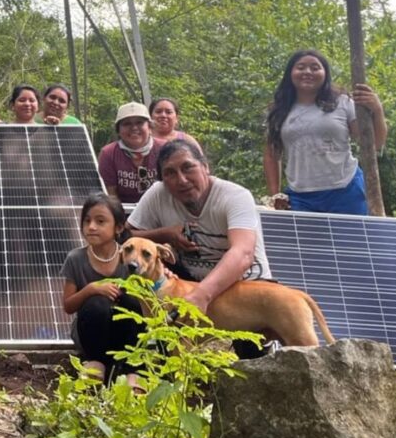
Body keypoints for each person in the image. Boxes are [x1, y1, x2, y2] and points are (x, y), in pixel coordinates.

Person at [126, 140, 272, 358]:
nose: (181, 180)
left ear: (205, 167)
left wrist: (202, 295)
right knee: (130, 297)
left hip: (245, 286)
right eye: (170, 173)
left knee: (252, 359)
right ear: (162, 180)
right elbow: (127, 236)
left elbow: (243, 253)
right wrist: (166, 234)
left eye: (188, 167)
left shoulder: (235, 196)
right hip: (188, 284)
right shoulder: (158, 194)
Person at [264, 49, 387, 216]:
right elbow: (271, 154)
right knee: (301, 235)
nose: (308, 72)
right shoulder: (280, 110)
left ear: (325, 73)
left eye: (315, 68)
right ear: (290, 73)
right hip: (300, 195)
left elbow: (375, 144)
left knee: (354, 234)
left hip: (346, 190)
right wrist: (275, 195)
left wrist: (377, 110)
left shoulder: (343, 102)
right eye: (301, 67)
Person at [61, 193, 144, 385]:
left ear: (119, 227)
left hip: (125, 335)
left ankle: (132, 369)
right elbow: (68, 306)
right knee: (97, 303)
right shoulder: (76, 259)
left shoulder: (131, 258)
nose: (91, 227)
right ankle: (96, 363)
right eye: (87, 221)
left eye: (100, 221)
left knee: (132, 300)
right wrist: (91, 289)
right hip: (91, 335)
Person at [98, 102, 164, 205]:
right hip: (123, 210)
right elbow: (111, 195)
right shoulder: (108, 153)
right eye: (127, 124)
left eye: (139, 123)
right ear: (118, 130)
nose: (134, 128)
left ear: (149, 127)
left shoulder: (164, 149)